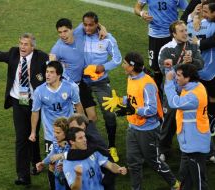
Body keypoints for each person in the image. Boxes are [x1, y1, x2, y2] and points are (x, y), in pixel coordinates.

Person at [0, 33, 48, 185]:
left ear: (32, 47)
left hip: (35, 103)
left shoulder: (41, 57)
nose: (22, 47)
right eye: (21, 43)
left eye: (26, 44)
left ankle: (36, 162)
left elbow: (54, 71)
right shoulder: (13, 53)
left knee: (33, 134)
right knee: (22, 137)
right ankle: (23, 176)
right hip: (18, 101)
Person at [102, 52, 180, 190]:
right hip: (133, 127)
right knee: (133, 162)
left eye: (125, 63)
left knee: (153, 161)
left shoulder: (147, 84)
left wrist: (134, 110)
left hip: (148, 130)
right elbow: (134, 98)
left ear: (131, 67)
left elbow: (152, 109)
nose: (122, 65)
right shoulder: (131, 78)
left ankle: (175, 184)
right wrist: (121, 100)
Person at [28, 60, 83, 188]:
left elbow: (78, 105)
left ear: (59, 75)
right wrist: (33, 131)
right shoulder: (40, 91)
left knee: (70, 160)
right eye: (47, 72)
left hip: (69, 132)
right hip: (51, 134)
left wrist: (81, 126)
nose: (47, 75)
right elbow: (35, 112)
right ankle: (54, 187)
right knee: (52, 162)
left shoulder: (70, 87)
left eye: (51, 72)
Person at [158, 20, 204, 161]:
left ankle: (205, 150)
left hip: (191, 90)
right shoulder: (166, 49)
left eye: (186, 30)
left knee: (198, 119)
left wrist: (192, 62)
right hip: (173, 91)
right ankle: (164, 149)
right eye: (182, 31)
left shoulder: (192, 46)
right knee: (169, 121)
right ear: (173, 33)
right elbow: (164, 70)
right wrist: (183, 64)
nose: (185, 33)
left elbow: (201, 64)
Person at [79, 11, 122, 162]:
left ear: (97, 24)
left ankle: (112, 146)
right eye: (85, 25)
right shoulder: (80, 34)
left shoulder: (108, 39)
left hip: (100, 82)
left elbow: (117, 59)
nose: (87, 28)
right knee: (82, 117)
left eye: (91, 25)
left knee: (109, 113)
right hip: (81, 82)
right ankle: (87, 145)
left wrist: (103, 67)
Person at [164, 64, 211, 189]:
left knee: (199, 180)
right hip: (189, 143)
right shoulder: (193, 86)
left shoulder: (194, 96)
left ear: (188, 77)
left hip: (195, 144)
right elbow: (178, 89)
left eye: (179, 76)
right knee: (185, 177)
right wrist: (169, 70)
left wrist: (168, 82)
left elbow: (174, 103)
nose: (176, 78)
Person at [134, 0, 188, 98]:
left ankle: (175, 95)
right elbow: (137, 8)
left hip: (172, 37)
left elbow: (187, 10)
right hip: (155, 36)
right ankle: (158, 97)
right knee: (156, 69)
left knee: (175, 67)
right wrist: (142, 13)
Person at [50, 18, 97, 122]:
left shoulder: (80, 31)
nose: (63, 35)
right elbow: (50, 68)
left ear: (72, 29)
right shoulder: (57, 48)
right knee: (77, 120)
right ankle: (79, 136)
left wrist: (103, 29)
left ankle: (87, 136)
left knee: (92, 116)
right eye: (60, 32)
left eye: (65, 31)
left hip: (81, 84)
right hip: (68, 88)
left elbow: (92, 22)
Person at [187, 0, 215, 162]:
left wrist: (193, 20)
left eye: (206, 11)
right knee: (201, 106)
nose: (203, 13)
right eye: (202, 10)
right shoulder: (203, 23)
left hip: (204, 70)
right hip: (203, 70)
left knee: (206, 104)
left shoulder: (198, 24)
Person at [63, 127, 127, 190]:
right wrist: (78, 176)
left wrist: (119, 168)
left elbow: (110, 165)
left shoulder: (92, 152)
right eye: (80, 138)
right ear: (72, 142)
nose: (85, 140)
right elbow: (74, 188)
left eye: (84, 136)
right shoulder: (68, 163)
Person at [36, 117, 70, 190]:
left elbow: (75, 159)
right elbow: (52, 154)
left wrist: (65, 166)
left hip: (69, 177)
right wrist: (43, 162)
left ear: (66, 132)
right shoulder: (55, 140)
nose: (55, 135)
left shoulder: (72, 144)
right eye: (54, 131)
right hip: (58, 174)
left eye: (58, 132)